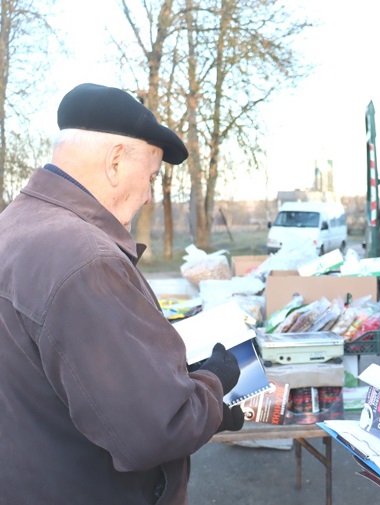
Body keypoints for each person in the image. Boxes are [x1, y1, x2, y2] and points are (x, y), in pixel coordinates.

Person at [0, 83, 244, 504]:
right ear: (115, 162)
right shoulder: (85, 260)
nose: (149, 196)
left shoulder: (14, 224)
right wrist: (215, 383)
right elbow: (155, 430)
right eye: (150, 177)